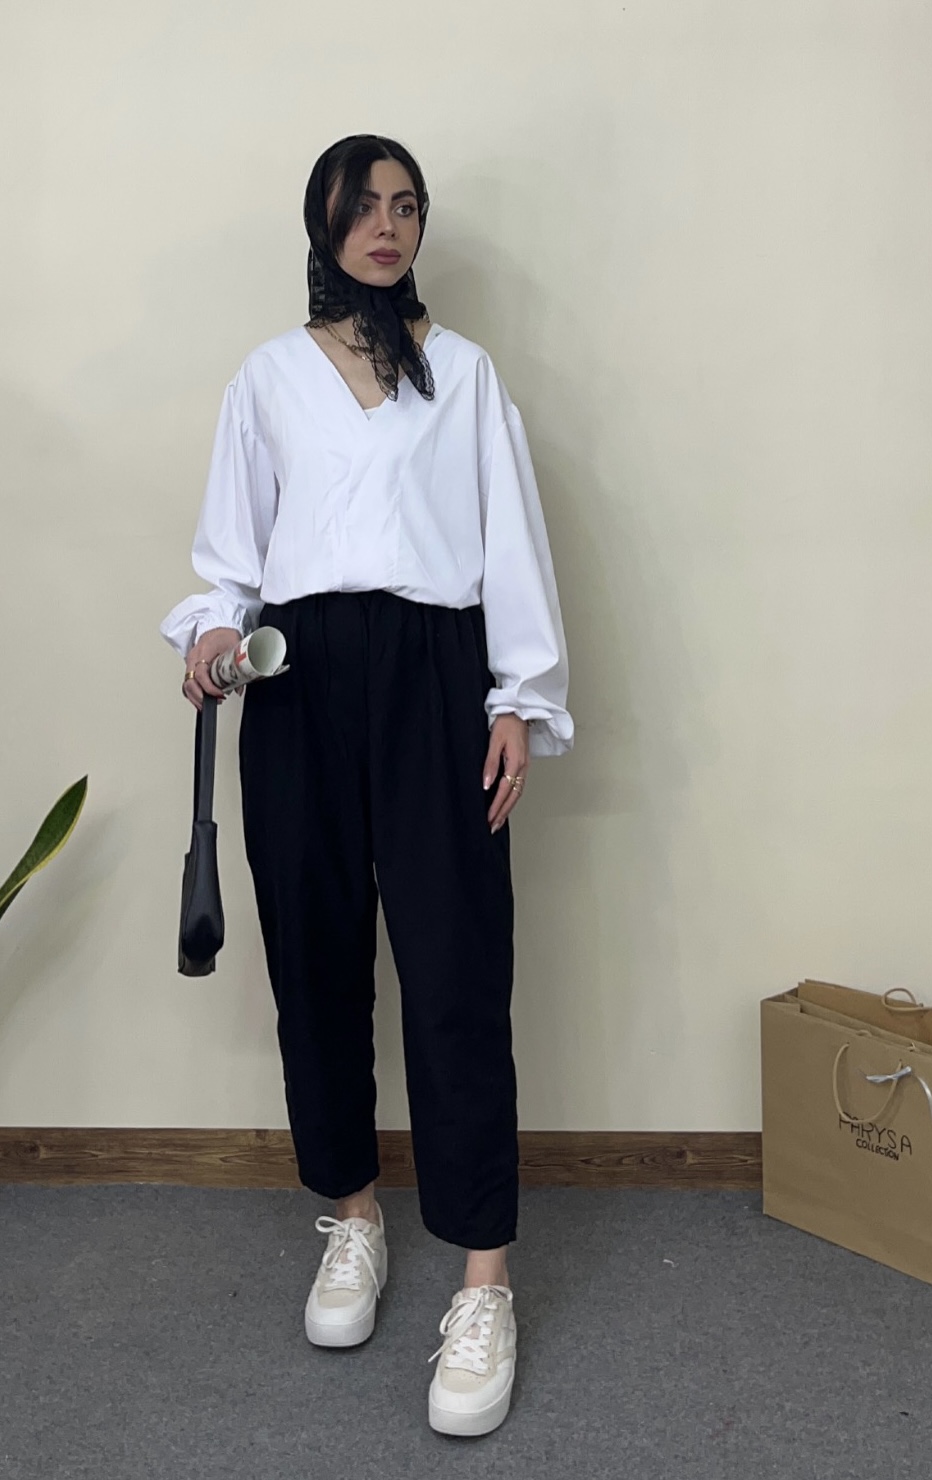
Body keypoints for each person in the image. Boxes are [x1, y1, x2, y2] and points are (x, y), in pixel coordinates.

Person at [160, 133, 573, 1438]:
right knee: (317, 962)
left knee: (457, 969)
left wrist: (516, 698)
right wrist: (211, 635)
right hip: (296, 682)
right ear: (323, 225)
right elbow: (230, 561)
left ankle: (484, 1281)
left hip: (437, 679)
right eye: (362, 207)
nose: (385, 227)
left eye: (405, 206)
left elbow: (511, 539)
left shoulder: (465, 373)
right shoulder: (268, 378)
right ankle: (351, 1213)